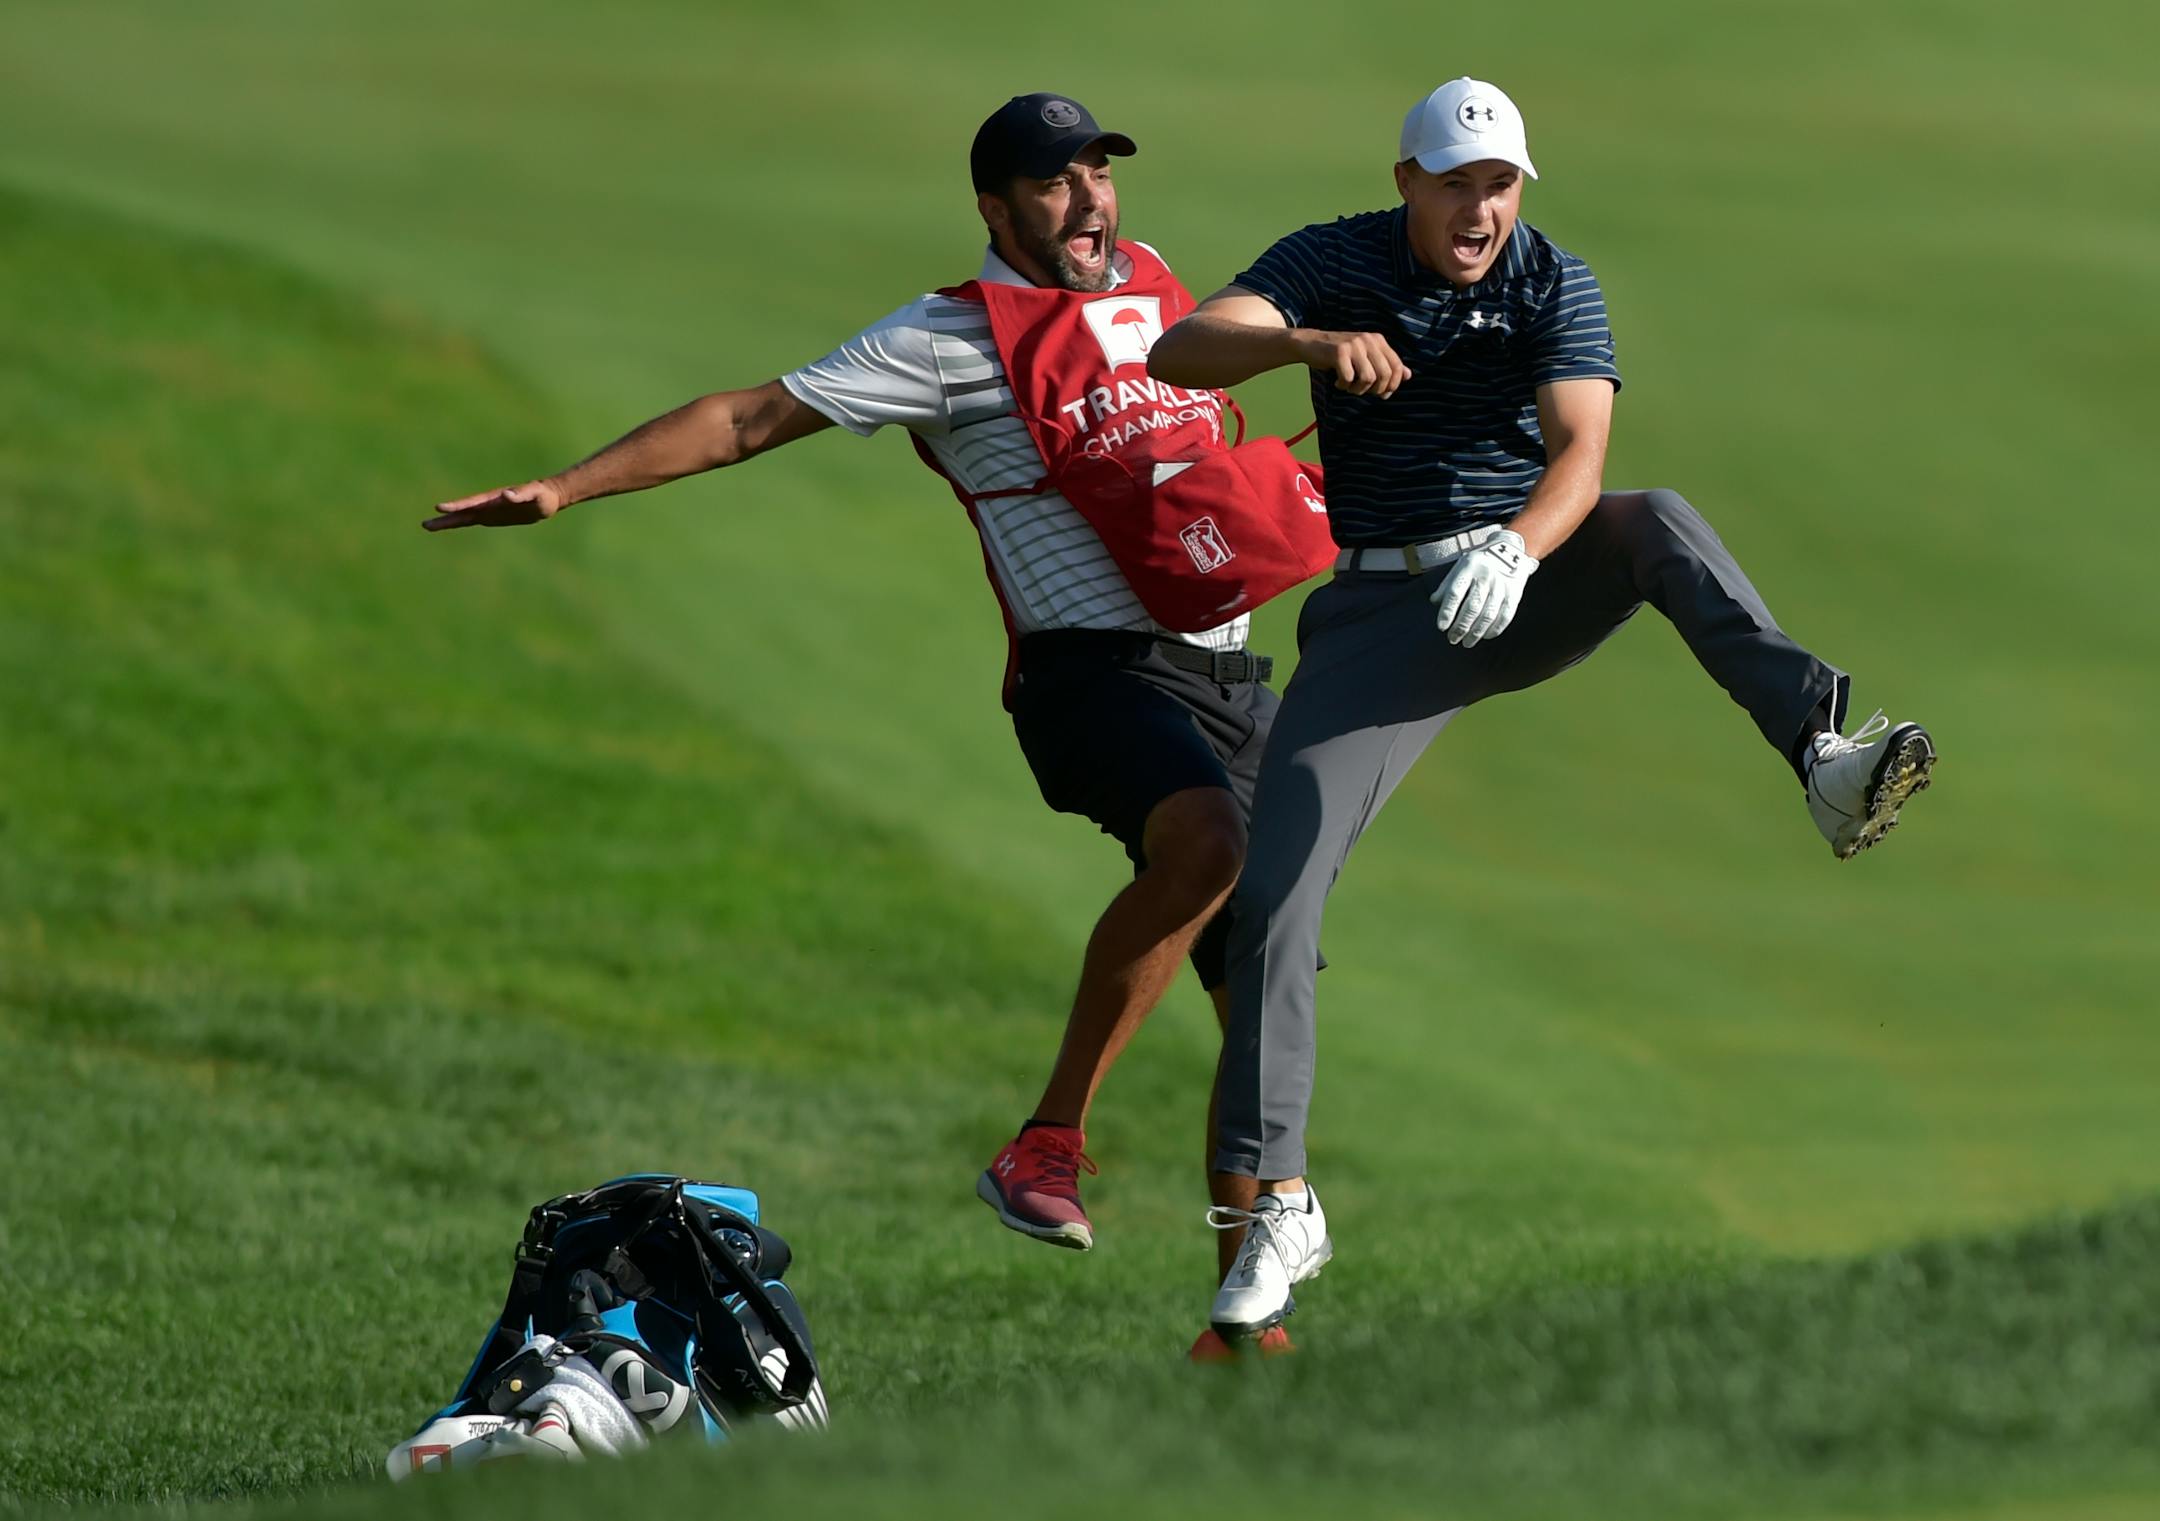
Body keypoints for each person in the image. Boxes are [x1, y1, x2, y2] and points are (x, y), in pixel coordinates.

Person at [424, 93, 1325, 1358]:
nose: (1089, 205)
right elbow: (749, 417)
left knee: (1267, 985)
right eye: (1057, 185)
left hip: (1229, 675)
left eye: (1099, 178)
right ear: (994, 207)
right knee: (1208, 848)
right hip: (1088, 678)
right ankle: (1045, 1143)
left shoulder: (1170, 293)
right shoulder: (949, 338)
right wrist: (566, 487)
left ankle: (1245, 1327)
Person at [1144, 76, 1937, 1340]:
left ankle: (1822, 753)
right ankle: (1276, 1205)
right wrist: (1306, 344)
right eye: (1456, 183)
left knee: (1657, 524)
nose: (1480, 207)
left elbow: (1582, 456)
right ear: (1406, 181)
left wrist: (1514, 550)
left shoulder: (1552, 279)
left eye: (1500, 183)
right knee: (1276, 900)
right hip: (1378, 623)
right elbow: (1178, 349)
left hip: (1520, 574)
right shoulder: (1334, 260)